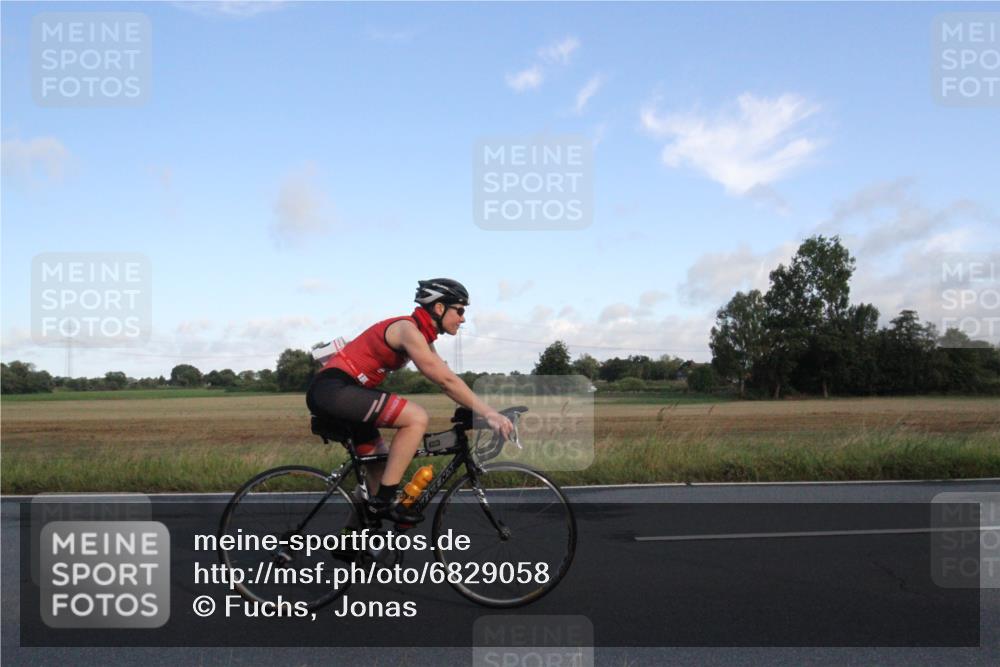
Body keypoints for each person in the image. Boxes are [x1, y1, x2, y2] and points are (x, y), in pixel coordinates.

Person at [306, 278, 513, 524]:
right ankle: (385, 502)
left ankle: (351, 543)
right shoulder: (408, 330)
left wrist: (471, 409)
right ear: (439, 308)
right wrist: (490, 413)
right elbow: (445, 380)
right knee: (416, 417)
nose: (463, 318)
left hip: (343, 393)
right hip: (333, 389)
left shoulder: (421, 336)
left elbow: (444, 376)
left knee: (380, 468)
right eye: (459, 310)